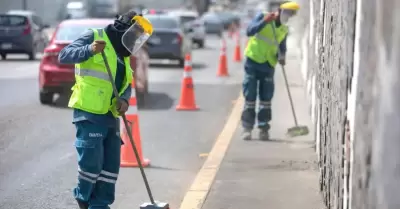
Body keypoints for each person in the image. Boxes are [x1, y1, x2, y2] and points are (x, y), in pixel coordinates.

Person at [58, 11, 141, 209]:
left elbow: (125, 84)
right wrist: (89, 49)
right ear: (123, 31)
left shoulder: (124, 55)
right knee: (92, 163)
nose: (135, 41)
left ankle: (100, 205)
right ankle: (83, 196)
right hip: (89, 112)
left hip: (111, 115)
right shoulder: (94, 36)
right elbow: (64, 55)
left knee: (110, 167)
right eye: (133, 36)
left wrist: (124, 100)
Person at [241, 1, 300, 141]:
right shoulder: (263, 16)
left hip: (268, 65)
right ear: (280, 11)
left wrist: (282, 56)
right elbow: (249, 31)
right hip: (253, 61)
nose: (288, 16)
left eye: (291, 14)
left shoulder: (284, 29)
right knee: (250, 96)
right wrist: (263, 22)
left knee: (266, 99)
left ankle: (263, 128)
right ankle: (247, 128)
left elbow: (282, 46)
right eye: (287, 13)